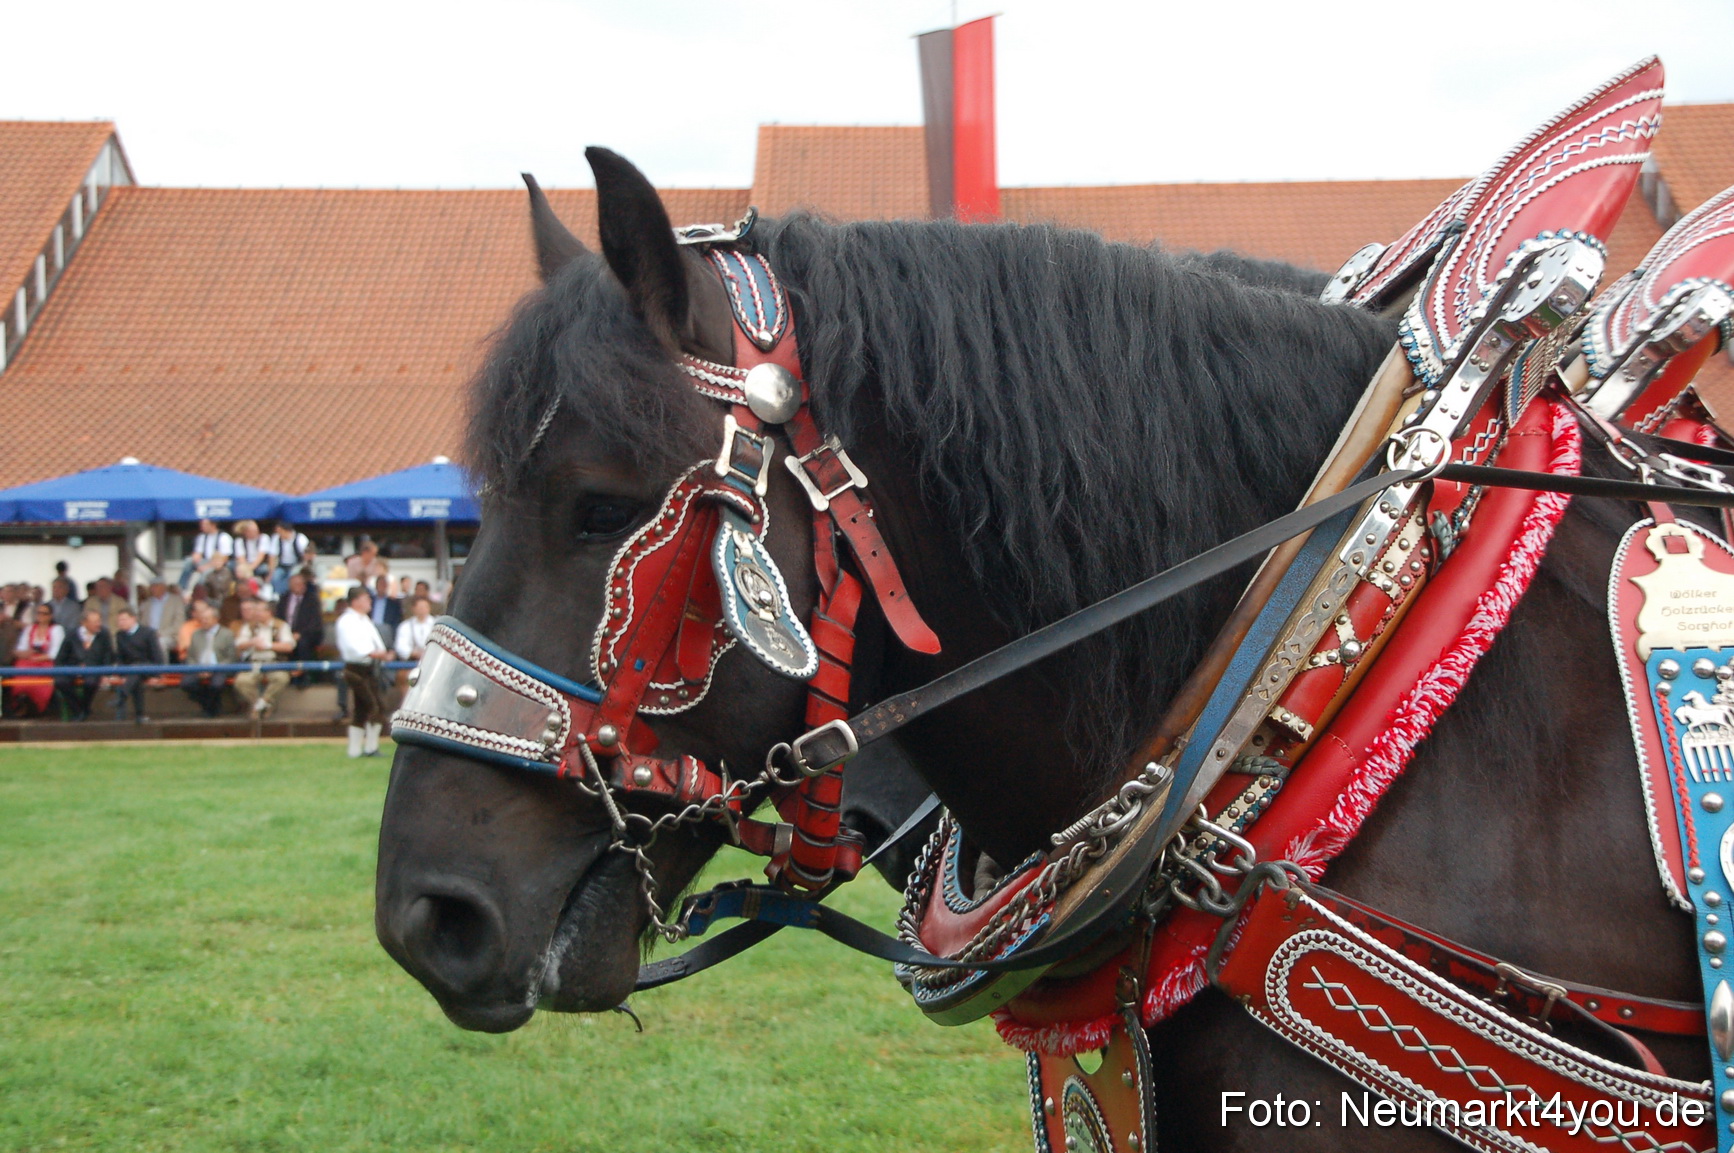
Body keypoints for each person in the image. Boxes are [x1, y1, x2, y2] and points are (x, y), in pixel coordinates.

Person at [336, 586, 390, 758]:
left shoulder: (365, 620)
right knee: (374, 706)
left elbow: (377, 642)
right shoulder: (346, 621)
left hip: (370, 668)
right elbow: (351, 645)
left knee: (361, 709)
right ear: (355, 601)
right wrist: (371, 652)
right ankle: (370, 748)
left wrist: (381, 652)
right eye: (366, 599)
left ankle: (354, 750)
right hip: (355, 668)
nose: (369, 602)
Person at [233, 597, 294, 716]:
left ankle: (264, 702)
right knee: (241, 681)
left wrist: (268, 645)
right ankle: (259, 704)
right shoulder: (250, 626)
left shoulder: (281, 626)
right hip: (254, 662)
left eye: (259, 611)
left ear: (268, 612)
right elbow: (239, 644)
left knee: (281, 678)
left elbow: (288, 646)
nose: (256, 613)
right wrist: (252, 642)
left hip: (274, 662)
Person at [56, 609, 115, 721]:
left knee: (91, 683)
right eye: (95, 622)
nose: (99, 624)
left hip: (94, 670)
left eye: (99, 621)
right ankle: (80, 709)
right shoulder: (72, 634)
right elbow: (61, 656)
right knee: (60, 682)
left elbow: (108, 655)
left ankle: (82, 711)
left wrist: (106, 673)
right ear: (84, 623)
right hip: (73, 669)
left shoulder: (104, 634)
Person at [181, 602, 236, 717]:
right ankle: (209, 706)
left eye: (207, 619)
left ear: (216, 619)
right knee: (187, 684)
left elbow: (231, 657)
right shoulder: (196, 634)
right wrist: (198, 668)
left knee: (216, 685)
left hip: (220, 668)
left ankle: (210, 710)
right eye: (202, 619)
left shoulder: (227, 634)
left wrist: (213, 669)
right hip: (199, 668)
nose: (203, 621)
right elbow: (190, 656)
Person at [111, 606, 162, 723]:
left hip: (149, 667)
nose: (120, 623)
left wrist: (156, 675)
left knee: (136, 670)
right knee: (135, 677)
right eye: (119, 620)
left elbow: (157, 656)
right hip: (131, 671)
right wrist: (120, 673)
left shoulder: (148, 633)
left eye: (123, 620)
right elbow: (120, 657)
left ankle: (122, 696)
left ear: (133, 619)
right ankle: (140, 715)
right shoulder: (120, 635)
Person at [10, 603, 64, 716]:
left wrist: (39, 658)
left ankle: (38, 705)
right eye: (38, 613)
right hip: (28, 660)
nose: (41, 616)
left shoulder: (57, 630)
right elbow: (21, 648)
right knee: (20, 669)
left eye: (44, 614)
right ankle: (22, 700)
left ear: (51, 616)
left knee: (41, 678)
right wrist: (27, 654)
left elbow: (55, 653)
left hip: (45, 662)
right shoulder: (30, 629)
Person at [276, 571, 324, 661]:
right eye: (296, 584)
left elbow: (315, 621)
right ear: (290, 585)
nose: (300, 587)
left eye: (301, 584)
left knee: (303, 643)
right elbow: (279, 617)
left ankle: (303, 670)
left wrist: (300, 634)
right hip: (287, 632)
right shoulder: (284, 599)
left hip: (307, 633)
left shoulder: (312, 600)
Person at [180, 518, 234, 593]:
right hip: (204, 561)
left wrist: (206, 566)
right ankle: (181, 587)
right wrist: (195, 559)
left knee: (206, 572)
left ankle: (198, 591)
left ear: (213, 525)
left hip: (217, 563)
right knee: (188, 561)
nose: (202, 527)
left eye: (205, 525)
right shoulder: (201, 537)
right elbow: (198, 552)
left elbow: (224, 558)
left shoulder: (224, 537)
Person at [267, 522, 314, 597]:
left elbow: (307, 554)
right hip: (282, 565)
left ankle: (286, 595)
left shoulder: (300, 538)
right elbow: (272, 556)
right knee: (275, 576)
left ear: (286, 530)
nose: (278, 533)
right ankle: (277, 595)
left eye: (280, 531)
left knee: (290, 578)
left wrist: (304, 568)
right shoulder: (276, 538)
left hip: (297, 565)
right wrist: (271, 572)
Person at [394, 596, 436, 661]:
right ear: (413, 609)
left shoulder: (436, 625)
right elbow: (400, 646)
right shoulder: (405, 626)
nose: (422, 610)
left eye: (425, 607)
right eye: (420, 607)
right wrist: (413, 653)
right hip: (411, 662)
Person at [371, 573, 403, 639]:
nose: (381, 587)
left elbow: (396, 620)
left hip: (386, 631)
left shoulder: (394, 603)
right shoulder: (370, 600)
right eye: (380, 584)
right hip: (371, 629)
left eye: (384, 585)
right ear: (376, 585)